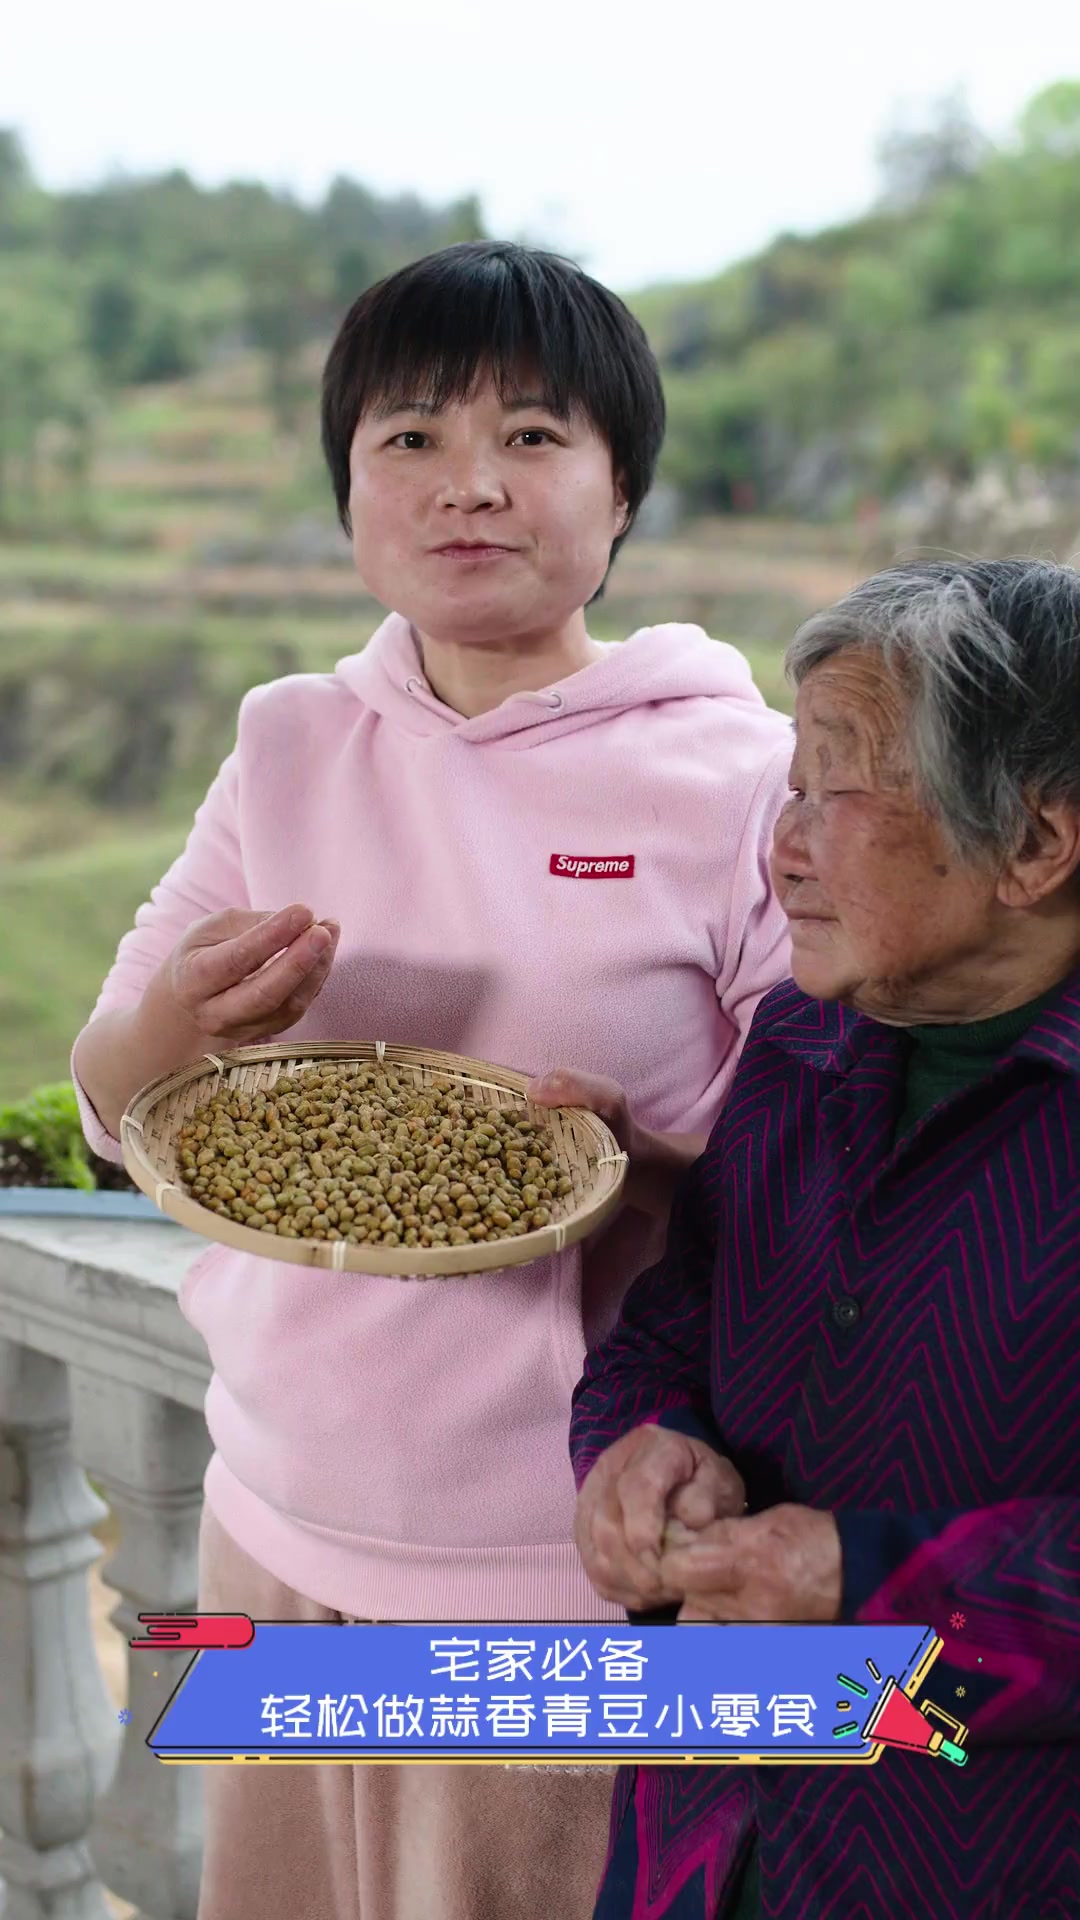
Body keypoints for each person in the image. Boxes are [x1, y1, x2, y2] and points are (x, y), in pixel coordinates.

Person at [71, 241, 794, 1920]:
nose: (470, 483)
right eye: (409, 438)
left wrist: (644, 1161)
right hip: (270, 1504)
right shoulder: (290, 743)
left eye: (535, 437)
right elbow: (114, 1100)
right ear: (347, 494)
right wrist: (189, 1011)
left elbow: (826, 1174)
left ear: (623, 497)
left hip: (560, 1560)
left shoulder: (740, 775)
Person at [570, 557, 1080, 1920]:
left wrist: (862, 1581)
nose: (781, 845)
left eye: (837, 788)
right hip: (704, 1833)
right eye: (787, 787)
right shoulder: (804, 1034)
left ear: (1033, 847)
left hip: (975, 1862)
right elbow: (679, 1317)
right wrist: (639, 1442)